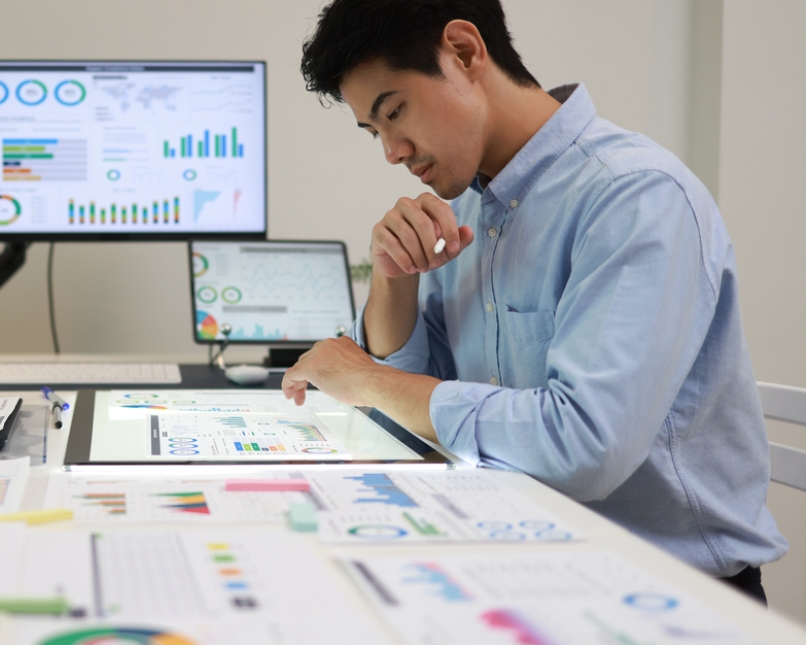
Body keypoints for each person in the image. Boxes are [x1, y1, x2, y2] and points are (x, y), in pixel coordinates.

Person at [284, 0, 786, 603]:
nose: (392, 151)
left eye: (394, 112)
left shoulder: (635, 198)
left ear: (465, 51)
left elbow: (584, 446)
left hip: (664, 595)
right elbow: (410, 413)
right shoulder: (466, 211)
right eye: (375, 132)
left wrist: (362, 377)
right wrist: (393, 281)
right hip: (519, 566)